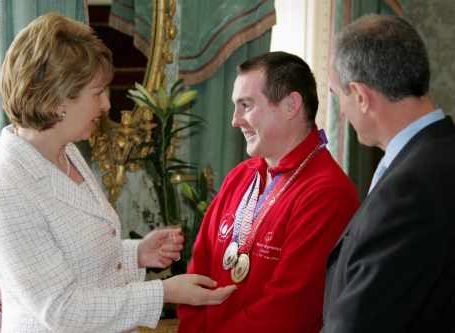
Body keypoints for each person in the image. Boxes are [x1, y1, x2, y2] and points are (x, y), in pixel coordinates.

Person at [0, 13, 236, 333]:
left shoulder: (66, 151)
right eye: (97, 92)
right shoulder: (7, 189)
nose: (105, 105)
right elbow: (61, 309)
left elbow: (75, 258)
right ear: (59, 99)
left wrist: (137, 253)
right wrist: (163, 292)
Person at [177, 51, 359, 332]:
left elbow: (289, 310)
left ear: (290, 105)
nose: (235, 121)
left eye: (245, 105)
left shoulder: (328, 193)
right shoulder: (240, 176)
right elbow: (196, 275)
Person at [323, 14, 455, 333]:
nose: (340, 111)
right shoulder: (439, 156)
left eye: (336, 95)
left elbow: (359, 321)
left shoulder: (409, 187)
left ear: (361, 96)